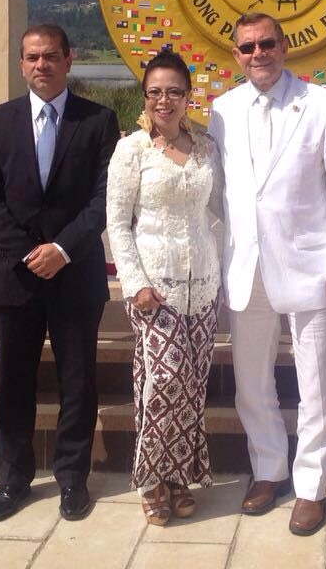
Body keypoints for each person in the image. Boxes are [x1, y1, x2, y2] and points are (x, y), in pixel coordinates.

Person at [208, 12, 326, 536]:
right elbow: (220, 193)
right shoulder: (222, 110)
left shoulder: (323, 106)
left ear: (285, 45)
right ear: (236, 55)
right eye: (247, 47)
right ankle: (268, 469)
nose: (258, 54)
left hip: (309, 263)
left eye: (267, 43)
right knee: (252, 382)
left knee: (315, 383)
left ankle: (311, 486)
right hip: (245, 266)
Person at [0, 23, 120, 523]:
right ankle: (13, 478)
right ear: (21, 64)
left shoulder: (99, 121)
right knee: (14, 384)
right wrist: (31, 252)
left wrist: (61, 248)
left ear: (69, 58)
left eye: (51, 55)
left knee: (78, 383)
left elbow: (105, 198)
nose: (42, 65)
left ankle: (72, 478)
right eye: (32, 57)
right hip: (16, 278)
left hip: (76, 276)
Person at [105, 49, 224, 527]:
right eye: (155, 91)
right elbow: (117, 222)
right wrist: (134, 284)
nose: (164, 100)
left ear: (188, 96)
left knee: (191, 386)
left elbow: (223, 208)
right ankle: (152, 479)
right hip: (154, 288)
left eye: (175, 91)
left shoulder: (207, 148)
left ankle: (180, 476)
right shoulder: (130, 150)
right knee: (162, 380)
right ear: (145, 97)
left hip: (204, 286)